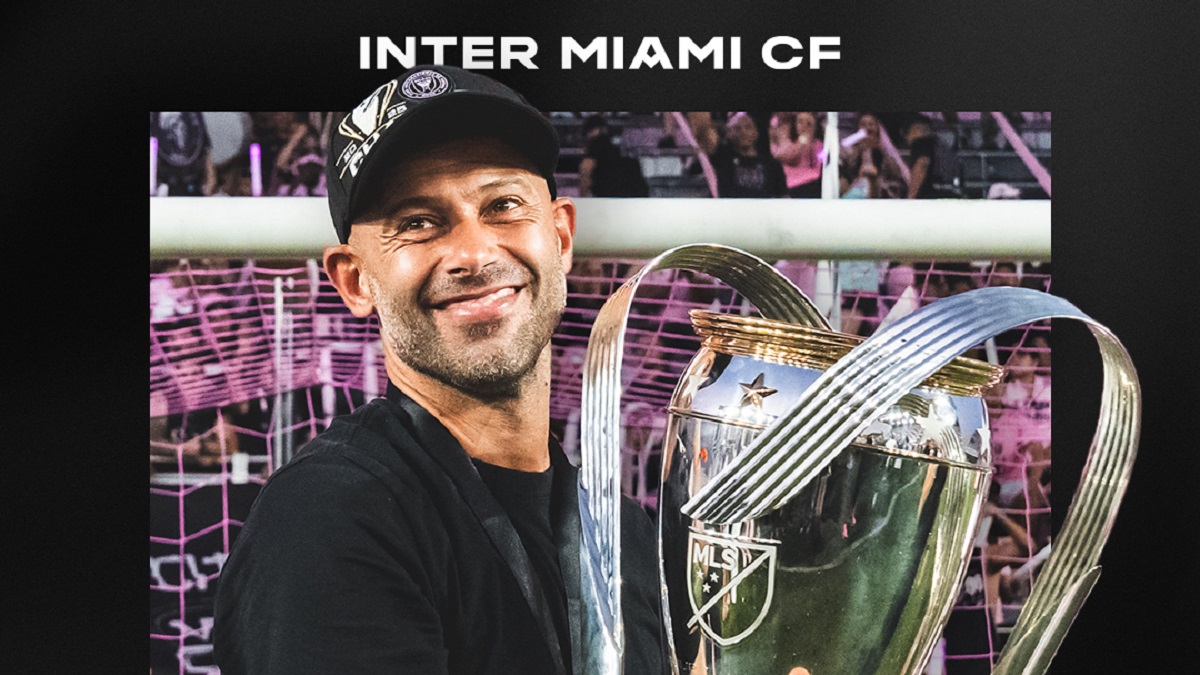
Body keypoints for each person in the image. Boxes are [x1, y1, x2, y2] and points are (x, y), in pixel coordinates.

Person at [213, 65, 666, 675]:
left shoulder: (623, 534)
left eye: (503, 205)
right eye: (417, 223)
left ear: (560, 238)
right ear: (355, 280)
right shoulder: (330, 517)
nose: (474, 254)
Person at [710, 111, 788, 198]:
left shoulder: (773, 165)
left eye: (748, 127)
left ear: (756, 132)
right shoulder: (724, 163)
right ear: (730, 133)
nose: (743, 132)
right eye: (737, 128)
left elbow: (784, 197)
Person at [577, 114, 649, 197]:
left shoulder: (594, 149)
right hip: (630, 196)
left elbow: (586, 170)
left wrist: (584, 193)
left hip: (607, 196)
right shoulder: (619, 151)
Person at [768, 111, 824, 198]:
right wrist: (800, 143)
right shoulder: (789, 141)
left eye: (808, 124)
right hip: (788, 181)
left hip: (808, 183)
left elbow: (820, 164)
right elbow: (785, 157)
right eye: (800, 122)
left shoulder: (818, 145)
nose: (804, 126)